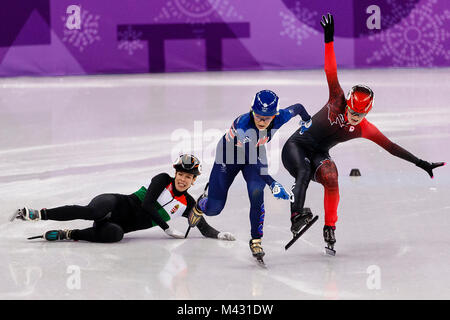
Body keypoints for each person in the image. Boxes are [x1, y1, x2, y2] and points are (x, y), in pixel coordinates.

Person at [281, 13, 445, 253]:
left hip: (318, 152)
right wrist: (328, 39)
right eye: (351, 112)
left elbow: (391, 147)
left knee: (332, 177)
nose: (353, 118)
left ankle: (330, 228)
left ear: (367, 114)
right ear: (347, 103)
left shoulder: (364, 129)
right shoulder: (337, 98)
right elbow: (330, 71)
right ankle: (296, 215)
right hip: (295, 147)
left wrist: (421, 163)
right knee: (304, 170)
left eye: (359, 116)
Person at [187, 89, 312, 262]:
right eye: (258, 116)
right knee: (214, 209)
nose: (262, 121)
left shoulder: (281, 116)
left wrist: (307, 120)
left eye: (267, 118)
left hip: (254, 154)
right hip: (229, 157)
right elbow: (251, 159)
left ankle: (256, 239)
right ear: (251, 110)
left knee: (256, 193)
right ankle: (202, 203)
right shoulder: (243, 125)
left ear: (275, 115)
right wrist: (272, 182)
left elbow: (297, 107)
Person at [11, 154, 235, 243]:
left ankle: (68, 234)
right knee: (94, 211)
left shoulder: (188, 204)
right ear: (175, 173)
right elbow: (147, 205)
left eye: (188, 177)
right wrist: (166, 228)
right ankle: (39, 214)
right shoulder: (162, 179)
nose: (183, 180)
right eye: (181, 174)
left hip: (118, 224)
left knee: (116, 235)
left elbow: (202, 227)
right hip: (115, 203)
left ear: (194, 181)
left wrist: (219, 234)